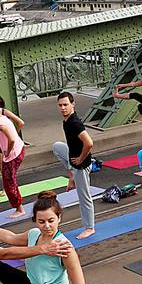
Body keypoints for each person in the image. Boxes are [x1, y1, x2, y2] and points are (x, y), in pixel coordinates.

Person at [52, 91, 96, 239]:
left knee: (84, 197)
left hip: (81, 165)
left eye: (66, 105)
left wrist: (81, 158)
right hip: (73, 158)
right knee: (57, 146)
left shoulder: (74, 123)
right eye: (60, 105)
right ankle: (71, 176)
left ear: (73, 105)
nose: (63, 108)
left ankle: (89, 227)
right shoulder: (67, 120)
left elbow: (89, 143)